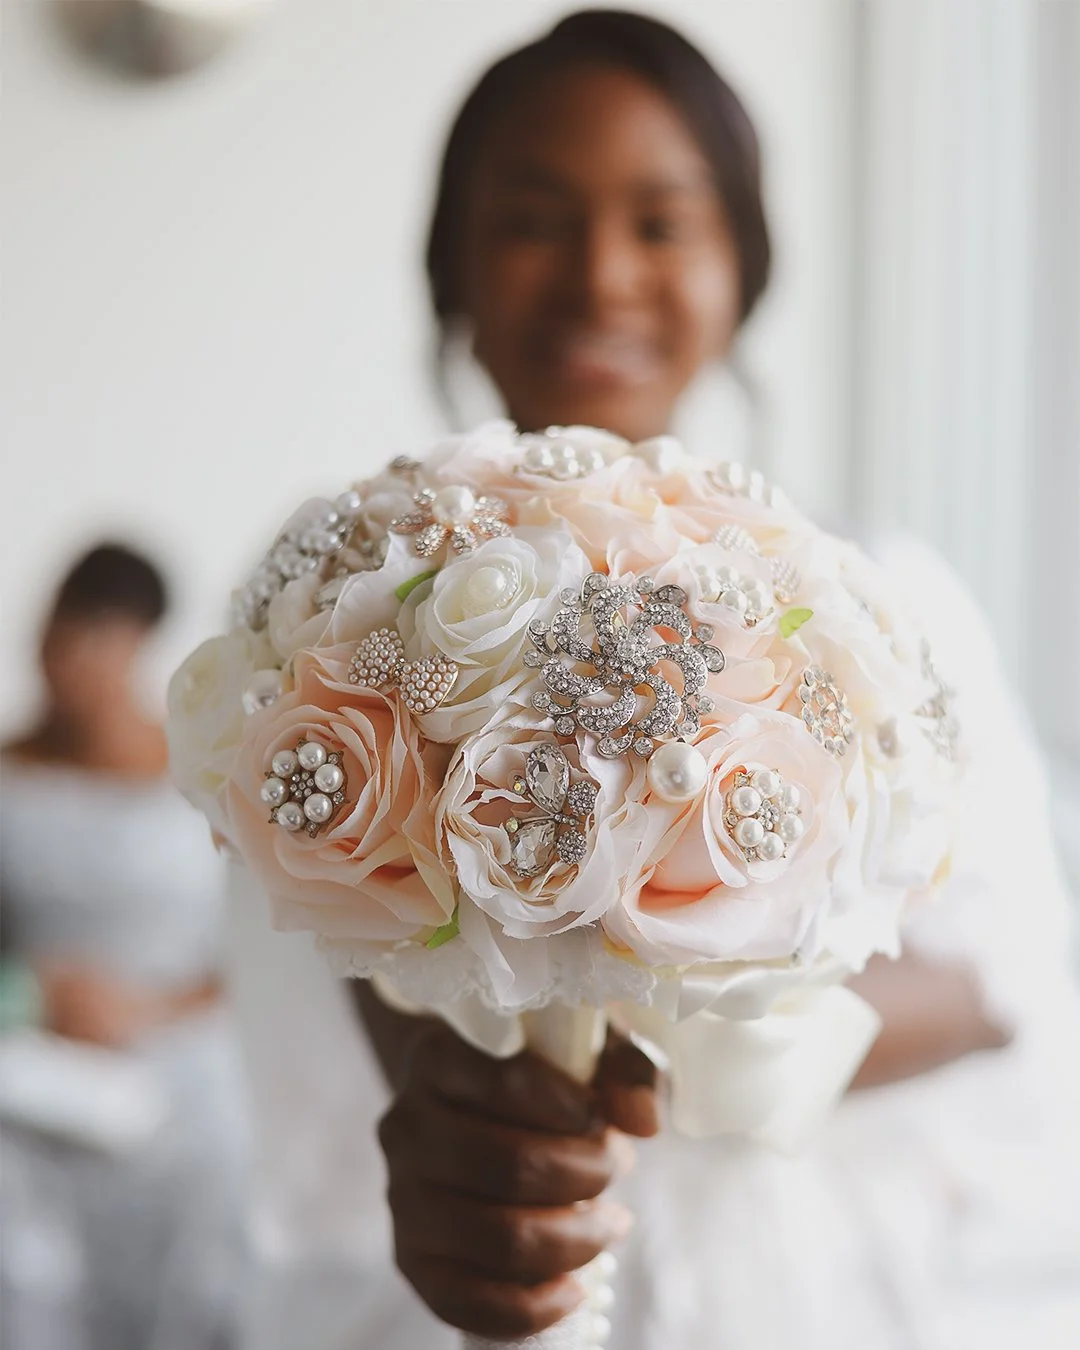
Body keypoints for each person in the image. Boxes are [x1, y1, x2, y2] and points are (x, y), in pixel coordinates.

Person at [234, 11, 1080, 1349]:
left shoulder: (885, 598)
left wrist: (682, 1019)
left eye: (663, 223)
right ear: (453, 267)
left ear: (743, 267)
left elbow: (998, 977)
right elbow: (345, 899)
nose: (601, 277)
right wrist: (470, 1107)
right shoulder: (344, 605)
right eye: (532, 218)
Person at [0, 543, 251, 1350]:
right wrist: (34, 993)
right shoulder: (9, 773)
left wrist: (143, 1010)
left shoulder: (205, 773)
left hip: (178, 1047)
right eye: (55, 638)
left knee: (217, 1164)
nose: (69, 664)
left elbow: (248, 954)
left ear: (139, 645)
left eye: (95, 642)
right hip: (32, 1057)